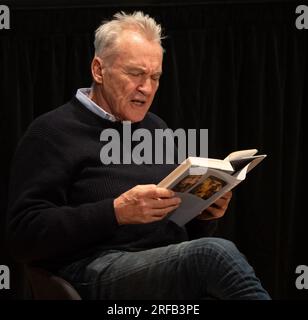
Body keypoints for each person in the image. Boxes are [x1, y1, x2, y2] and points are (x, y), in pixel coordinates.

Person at [7, 11, 270, 300]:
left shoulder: (156, 128)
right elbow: (23, 234)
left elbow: (179, 234)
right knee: (214, 254)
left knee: (213, 269)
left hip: (158, 264)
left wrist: (204, 214)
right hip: (91, 270)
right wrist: (115, 212)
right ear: (98, 70)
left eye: (155, 77)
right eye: (135, 74)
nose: (146, 88)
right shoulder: (52, 132)